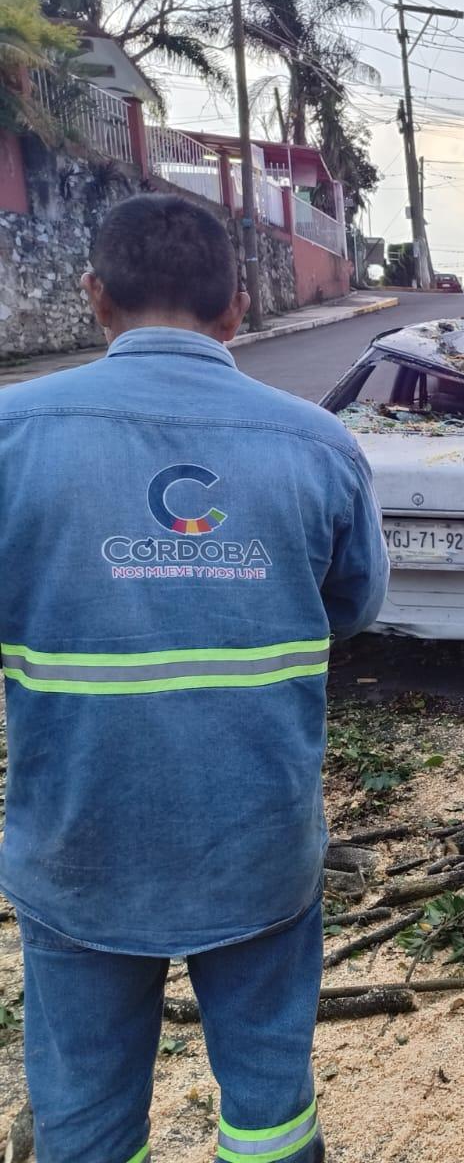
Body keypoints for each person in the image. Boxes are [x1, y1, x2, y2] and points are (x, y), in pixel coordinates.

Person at [0, 194, 389, 1163]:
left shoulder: (11, 439)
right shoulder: (320, 448)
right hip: (256, 844)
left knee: (84, 1131)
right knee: (268, 1113)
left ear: (95, 298)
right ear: (237, 308)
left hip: (78, 852)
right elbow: (354, 606)